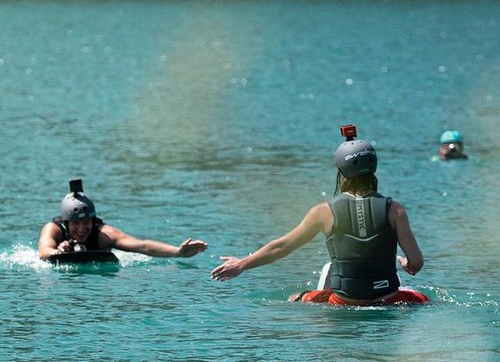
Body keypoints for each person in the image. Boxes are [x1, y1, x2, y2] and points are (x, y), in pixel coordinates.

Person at [211, 125, 429, 306]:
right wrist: (407, 264)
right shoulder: (395, 210)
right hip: (388, 299)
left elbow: (282, 247)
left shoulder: (323, 212)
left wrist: (241, 264)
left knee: (296, 298)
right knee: (421, 300)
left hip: (344, 301)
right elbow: (417, 263)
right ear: (374, 168)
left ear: (341, 171)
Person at [39, 179, 208, 260]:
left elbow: (142, 245)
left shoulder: (104, 235)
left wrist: (177, 252)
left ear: (93, 220)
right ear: (67, 222)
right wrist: (60, 253)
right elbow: (44, 252)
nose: (82, 229)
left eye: (86, 222)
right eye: (76, 223)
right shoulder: (54, 229)